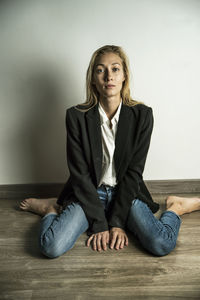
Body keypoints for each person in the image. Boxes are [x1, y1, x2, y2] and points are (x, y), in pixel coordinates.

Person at [20, 45, 200, 258]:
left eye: (115, 69)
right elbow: (80, 175)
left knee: (161, 244)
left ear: (124, 76)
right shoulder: (76, 116)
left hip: (126, 192)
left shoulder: (142, 115)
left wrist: (116, 223)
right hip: (89, 192)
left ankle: (176, 207)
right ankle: (50, 209)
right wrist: (100, 225)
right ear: (93, 79)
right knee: (50, 246)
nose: (108, 76)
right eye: (100, 70)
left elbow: (134, 172)